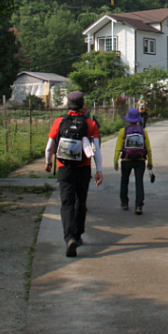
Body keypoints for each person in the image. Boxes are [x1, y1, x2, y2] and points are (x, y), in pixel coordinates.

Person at [45, 90, 103, 257]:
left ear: (68, 104)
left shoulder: (59, 122)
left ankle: (69, 237)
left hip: (64, 168)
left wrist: (48, 161)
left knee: (67, 203)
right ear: (83, 105)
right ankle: (77, 236)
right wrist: (99, 170)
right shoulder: (90, 124)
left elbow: (49, 146)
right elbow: (96, 149)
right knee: (80, 201)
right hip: (83, 168)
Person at [113, 108, 153, 215]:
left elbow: (118, 148)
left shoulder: (123, 131)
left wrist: (115, 160)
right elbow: (148, 148)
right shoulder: (143, 131)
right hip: (140, 160)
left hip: (126, 159)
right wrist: (150, 162)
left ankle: (124, 203)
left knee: (124, 181)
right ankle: (138, 206)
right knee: (139, 182)